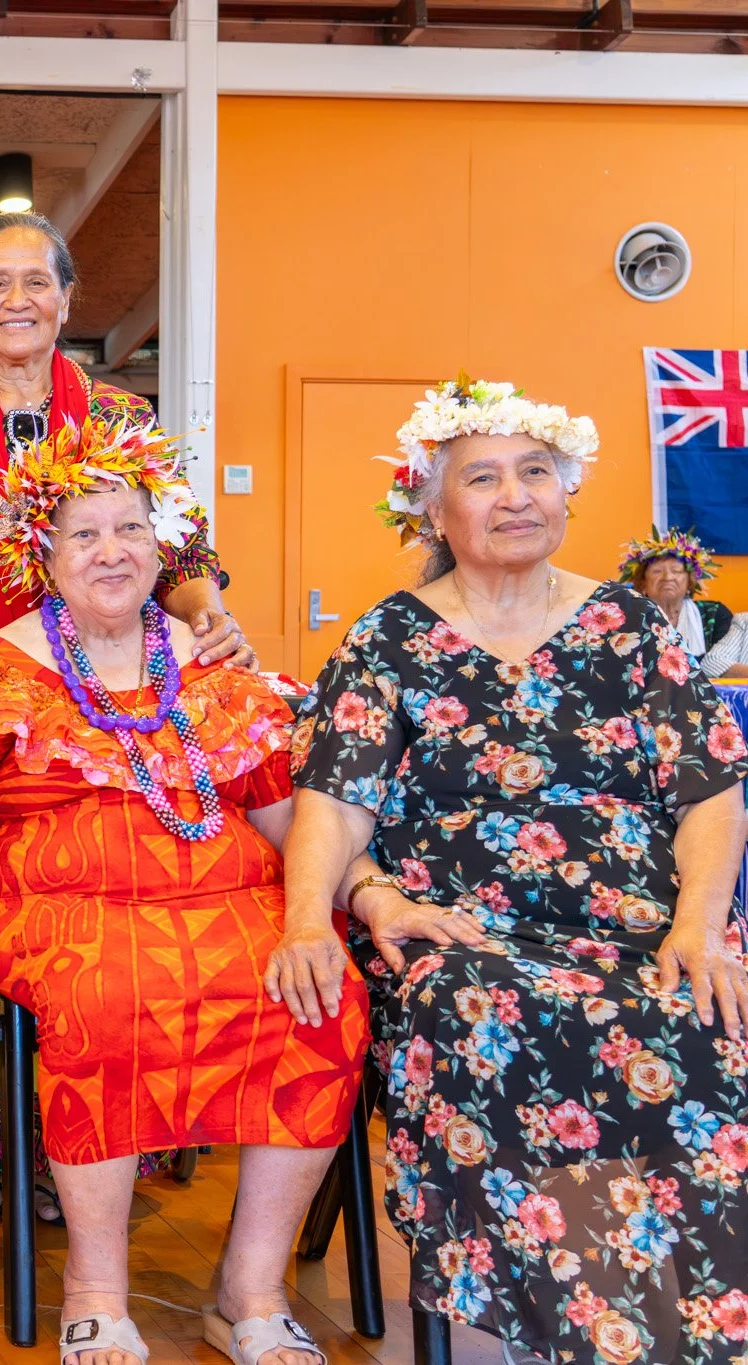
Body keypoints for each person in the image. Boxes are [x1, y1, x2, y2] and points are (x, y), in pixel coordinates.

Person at [0, 416, 363, 1365]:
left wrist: (336, 902)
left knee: (321, 998)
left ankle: (249, 1294)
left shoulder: (214, 668)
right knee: (107, 994)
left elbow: (279, 813)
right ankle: (96, 1289)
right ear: (42, 555)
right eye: (83, 534)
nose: (110, 551)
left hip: (230, 902)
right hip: (57, 910)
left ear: (157, 543)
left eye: (130, 528)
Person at [284, 378, 748, 1365]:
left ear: (566, 491)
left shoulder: (627, 625)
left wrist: (696, 927)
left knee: (705, 1007)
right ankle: (532, 1325)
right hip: (459, 930)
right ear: (433, 508)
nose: (512, 495)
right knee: (485, 1010)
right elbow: (330, 799)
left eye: (533, 472)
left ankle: (693, 1323)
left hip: (640, 922)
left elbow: (709, 789)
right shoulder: (389, 637)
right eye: (481, 477)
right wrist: (310, 919)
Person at [0, 210, 253, 1214]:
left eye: (37, 282)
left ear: (66, 301)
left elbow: (184, 560)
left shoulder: (121, 422)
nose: (17, 300)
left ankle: (108, 1145)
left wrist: (212, 622)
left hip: (122, 716)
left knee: (142, 900)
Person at [619, 527, 748, 679]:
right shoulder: (627, 617)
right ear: (642, 584)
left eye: (676, 571)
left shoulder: (714, 613)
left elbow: (721, 664)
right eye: (657, 571)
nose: (667, 577)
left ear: (690, 582)